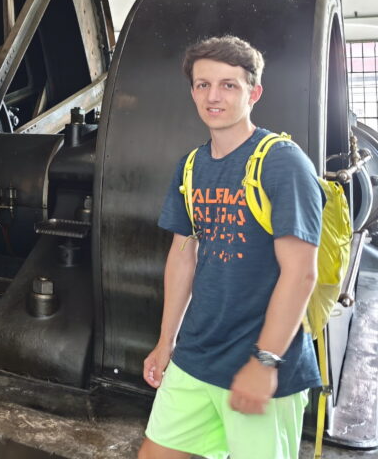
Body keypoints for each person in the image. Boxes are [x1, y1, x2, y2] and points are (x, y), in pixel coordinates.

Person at [138, 35, 323, 459]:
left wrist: (266, 361)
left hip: (257, 366)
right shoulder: (192, 165)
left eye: (228, 85)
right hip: (196, 357)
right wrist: (166, 342)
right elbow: (182, 256)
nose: (213, 96)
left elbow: (301, 273)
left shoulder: (283, 163)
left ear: (253, 93)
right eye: (203, 85)